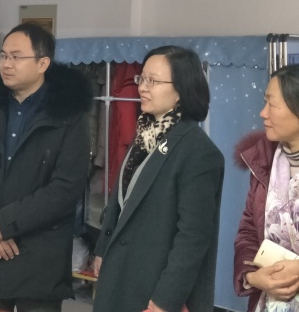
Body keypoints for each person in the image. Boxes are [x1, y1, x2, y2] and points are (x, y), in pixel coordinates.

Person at [0, 22, 93, 312]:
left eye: (16, 57)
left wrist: (5, 224)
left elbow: (66, 188)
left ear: (43, 63)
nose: (6, 64)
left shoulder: (69, 116)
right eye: (3, 56)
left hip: (38, 259)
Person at [92, 45, 224, 312]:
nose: (142, 87)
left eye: (153, 81)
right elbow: (121, 201)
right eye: (141, 78)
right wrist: (102, 248)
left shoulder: (197, 151)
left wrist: (166, 299)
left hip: (155, 287)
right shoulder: (146, 134)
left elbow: (193, 236)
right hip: (120, 273)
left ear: (181, 90)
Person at [234, 64, 299, 312]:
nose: (263, 113)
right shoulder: (264, 161)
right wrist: (252, 276)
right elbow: (249, 232)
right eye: (265, 103)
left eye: (272, 104)